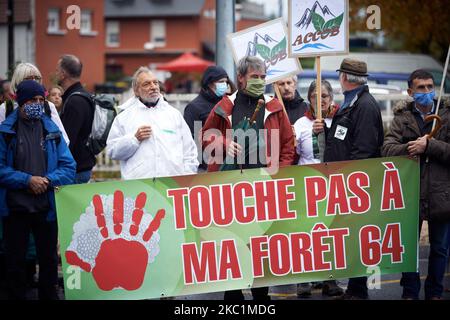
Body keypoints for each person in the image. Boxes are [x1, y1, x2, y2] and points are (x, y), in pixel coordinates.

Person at [201, 56, 295, 300]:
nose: (260, 81)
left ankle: (260, 294)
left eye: (263, 77)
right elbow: (205, 137)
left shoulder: (274, 107)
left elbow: (287, 144)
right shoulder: (225, 106)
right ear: (240, 78)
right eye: (255, 77)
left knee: (260, 244)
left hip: (264, 187)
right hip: (231, 188)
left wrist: (279, 176)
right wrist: (223, 143)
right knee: (233, 243)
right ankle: (232, 295)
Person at [0, 80, 76, 299]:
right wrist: (26, 180)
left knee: (49, 262)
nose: (37, 104)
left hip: (46, 208)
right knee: (14, 264)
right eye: (32, 100)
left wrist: (46, 180)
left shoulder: (51, 129)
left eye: (41, 100)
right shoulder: (6, 131)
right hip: (15, 209)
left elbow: (68, 167)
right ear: (21, 101)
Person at [317, 58, 384, 300]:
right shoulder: (353, 103)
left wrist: (349, 182)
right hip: (346, 181)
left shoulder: (364, 106)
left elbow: (364, 149)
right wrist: (324, 131)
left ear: (344, 77)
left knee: (356, 237)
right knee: (351, 238)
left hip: (354, 185)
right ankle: (356, 289)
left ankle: (359, 290)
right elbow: (344, 140)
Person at [382, 69, 450, 300]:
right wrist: (413, 147)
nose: (427, 92)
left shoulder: (446, 116)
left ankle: (434, 293)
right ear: (411, 91)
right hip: (410, 193)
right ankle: (410, 292)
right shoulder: (402, 119)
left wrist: (430, 146)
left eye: (430, 87)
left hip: (441, 192)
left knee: (440, 248)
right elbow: (388, 149)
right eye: (421, 88)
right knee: (409, 248)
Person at [294, 80, 343, 298]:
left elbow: (345, 149)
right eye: (315, 96)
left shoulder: (341, 120)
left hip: (332, 186)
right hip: (306, 187)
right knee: (306, 234)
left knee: (330, 234)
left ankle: (330, 279)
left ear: (331, 98)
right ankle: (303, 280)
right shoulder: (300, 124)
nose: (320, 100)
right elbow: (291, 155)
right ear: (309, 99)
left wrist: (328, 131)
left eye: (324, 96)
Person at [106, 66, 199, 179]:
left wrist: (187, 177)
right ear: (136, 91)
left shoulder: (174, 114)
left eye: (155, 83)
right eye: (147, 84)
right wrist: (134, 139)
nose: (153, 87)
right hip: (140, 188)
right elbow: (112, 151)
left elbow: (189, 151)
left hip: (171, 185)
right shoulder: (124, 117)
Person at [0, 63, 69, 145]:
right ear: (17, 81)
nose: (34, 82)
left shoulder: (48, 106)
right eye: (28, 79)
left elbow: (64, 140)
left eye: (37, 78)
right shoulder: (6, 108)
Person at [57, 54, 96, 184]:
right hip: (82, 166)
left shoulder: (74, 101)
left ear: (63, 74)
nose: (57, 73)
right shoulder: (84, 95)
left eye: (58, 70)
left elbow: (67, 140)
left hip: (75, 170)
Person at [184, 66, 231, 171]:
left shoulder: (227, 103)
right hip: (206, 166)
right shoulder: (194, 107)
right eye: (221, 81)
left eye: (226, 82)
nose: (224, 85)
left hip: (229, 162)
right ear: (209, 83)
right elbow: (192, 140)